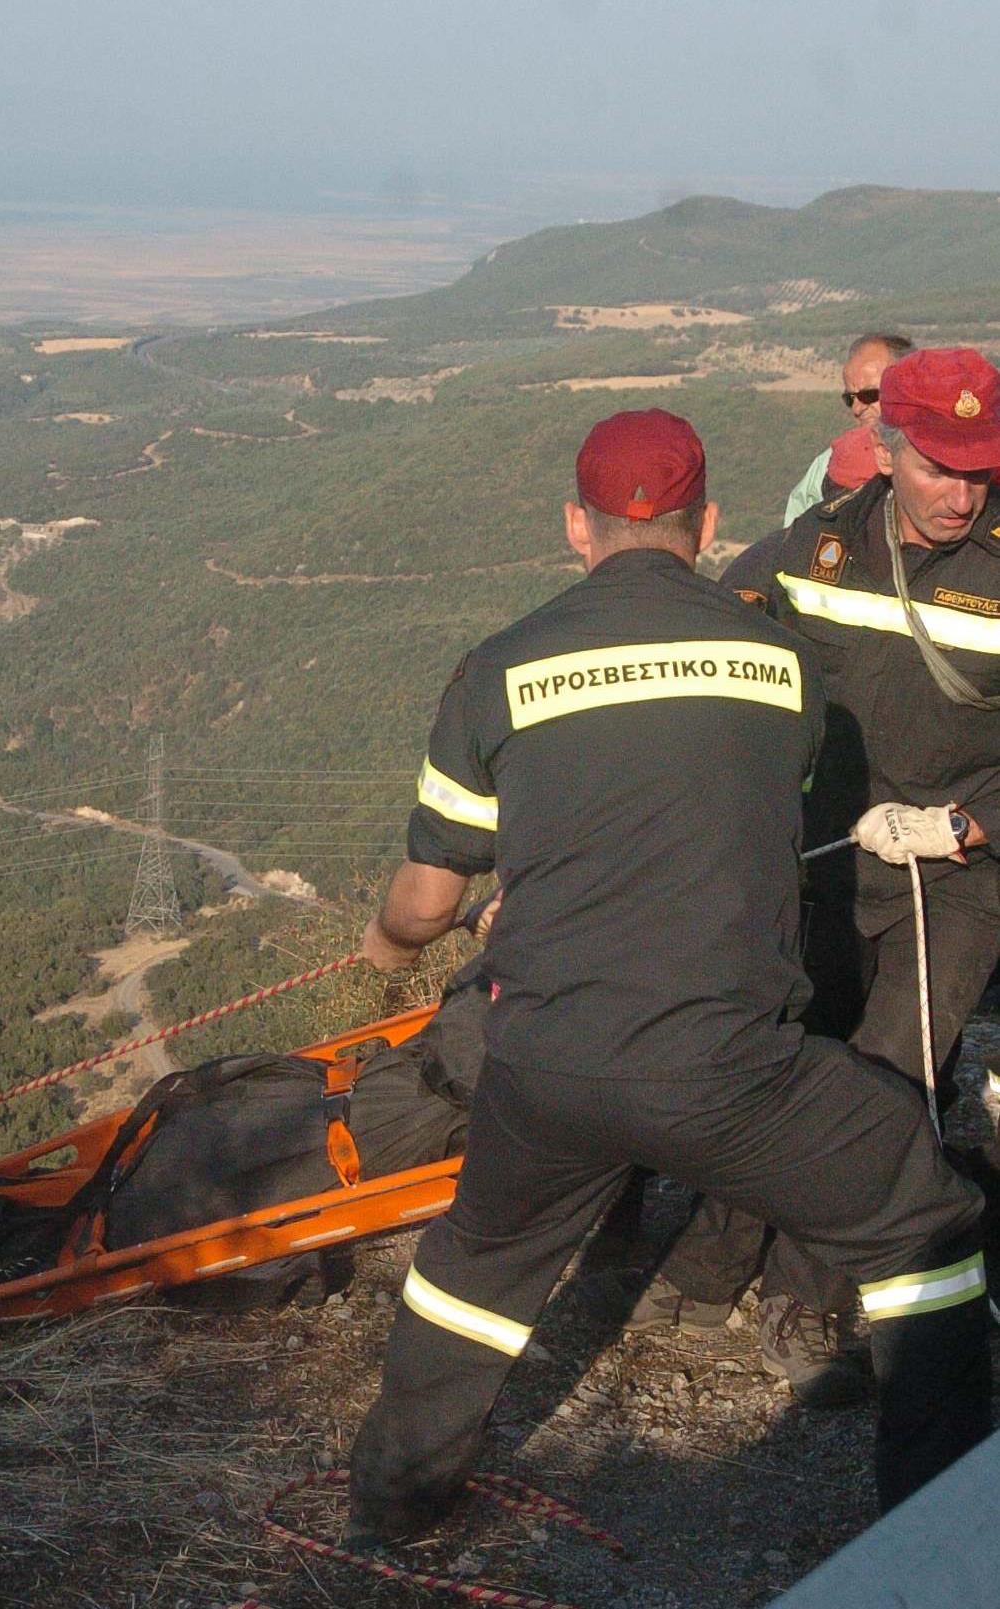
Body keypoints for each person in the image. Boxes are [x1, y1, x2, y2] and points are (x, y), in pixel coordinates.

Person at [344, 408, 988, 1545]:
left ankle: (394, 1502)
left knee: (472, 1269)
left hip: (544, 1060)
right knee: (915, 1212)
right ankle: (938, 1521)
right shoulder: (783, 668)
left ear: (571, 528)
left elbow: (427, 899)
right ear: (706, 526)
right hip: (728, 1067)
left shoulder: (496, 668)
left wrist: (390, 947)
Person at [646, 347, 1000, 1390]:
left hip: (956, 878)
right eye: (939, 466)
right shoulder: (818, 547)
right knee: (785, 1061)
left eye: (979, 467)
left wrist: (968, 827)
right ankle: (715, 1254)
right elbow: (720, 638)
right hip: (828, 859)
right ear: (887, 449)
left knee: (885, 1082)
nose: (961, 492)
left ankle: (807, 1296)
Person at [781, 333, 912, 525]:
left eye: (869, 395)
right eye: (850, 399)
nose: (857, 409)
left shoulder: (945, 453)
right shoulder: (827, 465)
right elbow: (793, 540)